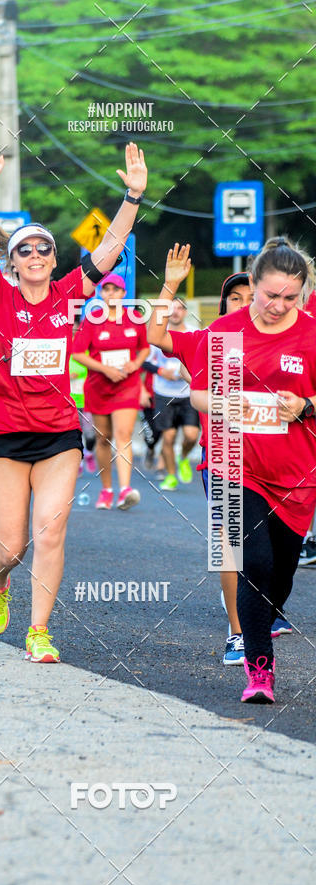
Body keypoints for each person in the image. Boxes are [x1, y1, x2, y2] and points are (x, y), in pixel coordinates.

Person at [0, 139, 147, 662]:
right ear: (13, 263)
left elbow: (109, 248)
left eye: (45, 248)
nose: (38, 256)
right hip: (1, 433)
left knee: (51, 532)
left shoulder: (70, 293)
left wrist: (132, 197)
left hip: (58, 434)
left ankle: (39, 631)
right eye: (25, 250)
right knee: (12, 546)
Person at [190, 236, 316, 702]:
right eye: (270, 295)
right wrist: (227, 400)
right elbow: (198, 395)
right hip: (235, 466)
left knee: (279, 575)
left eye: (291, 297)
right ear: (254, 283)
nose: (279, 305)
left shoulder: (311, 333)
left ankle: (263, 621)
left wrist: (305, 405)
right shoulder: (226, 330)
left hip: (298, 476)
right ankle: (259, 671)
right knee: (253, 563)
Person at [148, 248, 254, 666]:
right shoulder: (210, 340)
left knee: (271, 552)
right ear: (223, 305)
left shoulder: (291, 339)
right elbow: (155, 338)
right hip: (225, 454)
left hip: (278, 459)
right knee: (230, 545)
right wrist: (170, 283)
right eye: (235, 298)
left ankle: (266, 606)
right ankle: (238, 631)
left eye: (252, 296)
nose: (243, 305)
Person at [72, 273, 149, 510]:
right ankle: (106, 490)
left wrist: (135, 364)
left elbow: (144, 349)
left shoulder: (135, 318)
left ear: (124, 294)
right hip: (98, 387)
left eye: (116, 290)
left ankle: (125, 489)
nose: (111, 294)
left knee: (123, 434)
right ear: (100, 293)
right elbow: (77, 353)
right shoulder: (92, 319)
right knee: (103, 439)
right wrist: (105, 369)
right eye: (107, 290)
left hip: (127, 385)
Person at [149, 297, 200, 491]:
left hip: (188, 393)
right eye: (172, 308)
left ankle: (184, 457)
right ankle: (171, 476)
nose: (176, 312)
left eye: (180, 308)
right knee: (168, 437)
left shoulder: (194, 332)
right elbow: (145, 361)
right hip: (163, 393)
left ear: (185, 312)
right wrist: (162, 372)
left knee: (191, 435)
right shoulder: (159, 334)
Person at [69, 319, 97, 476]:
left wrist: (78, 373)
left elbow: (92, 365)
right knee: (75, 433)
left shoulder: (85, 348)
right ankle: (78, 460)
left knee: (90, 434)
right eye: (71, 329)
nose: (73, 332)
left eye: (76, 330)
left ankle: (90, 452)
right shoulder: (64, 347)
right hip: (70, 399)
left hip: (87, 398)